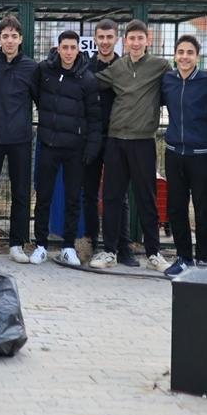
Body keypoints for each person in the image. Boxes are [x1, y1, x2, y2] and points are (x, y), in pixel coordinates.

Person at [89, 19, 169, 271]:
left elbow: (179, 85)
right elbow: (89, 82)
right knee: (111, 197)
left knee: (146, 198)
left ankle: (154, 253)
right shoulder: (117, 67)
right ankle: (109, 251)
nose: (135, 43)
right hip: (115, 140)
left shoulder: (160, 66)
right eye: (131, 39)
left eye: (140, 38)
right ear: (125, 41)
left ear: (148, 40)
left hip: (143, 141)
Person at [33, 31, 101, 266]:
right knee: (43, 196)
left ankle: (68, 246)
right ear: (58, 48)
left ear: (78, 50)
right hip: (48, 144)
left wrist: (91, 146)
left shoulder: (87, 78)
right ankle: (40, 244)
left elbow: (94, 117)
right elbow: (35, 97)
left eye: (73, 47)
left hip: (75, 149)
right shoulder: (45, 71)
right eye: (65, 47)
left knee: (74, 199)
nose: (69, 52)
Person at [0, 15, 39, 264]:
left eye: (14, 36)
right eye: (5, 36)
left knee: (21, 193)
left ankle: (17, 243)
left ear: (21, 39)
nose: (10, 40)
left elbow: (40, 100)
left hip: (20, 139)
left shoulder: (31, 67)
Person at [160, 34, 207, 276]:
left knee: (203, 208)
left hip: (201, 155)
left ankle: (204, 260)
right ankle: (184, 257)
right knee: (176, 208)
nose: (185, 57)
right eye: (181, 52)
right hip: (174, 153)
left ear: (197, 56)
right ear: (175, 55)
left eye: (190, 53)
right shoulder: (168, 80)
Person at [82, 19, 131, 263]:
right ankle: (93, 242)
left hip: (117, 139)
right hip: (91, 139)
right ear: (95, 39)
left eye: (109, 37)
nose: (104, 42)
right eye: (100, 37)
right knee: (89, 194)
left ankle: (124, 247)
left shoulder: (124, 68)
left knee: (118, 196)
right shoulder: (86, 67)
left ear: (117, 39)